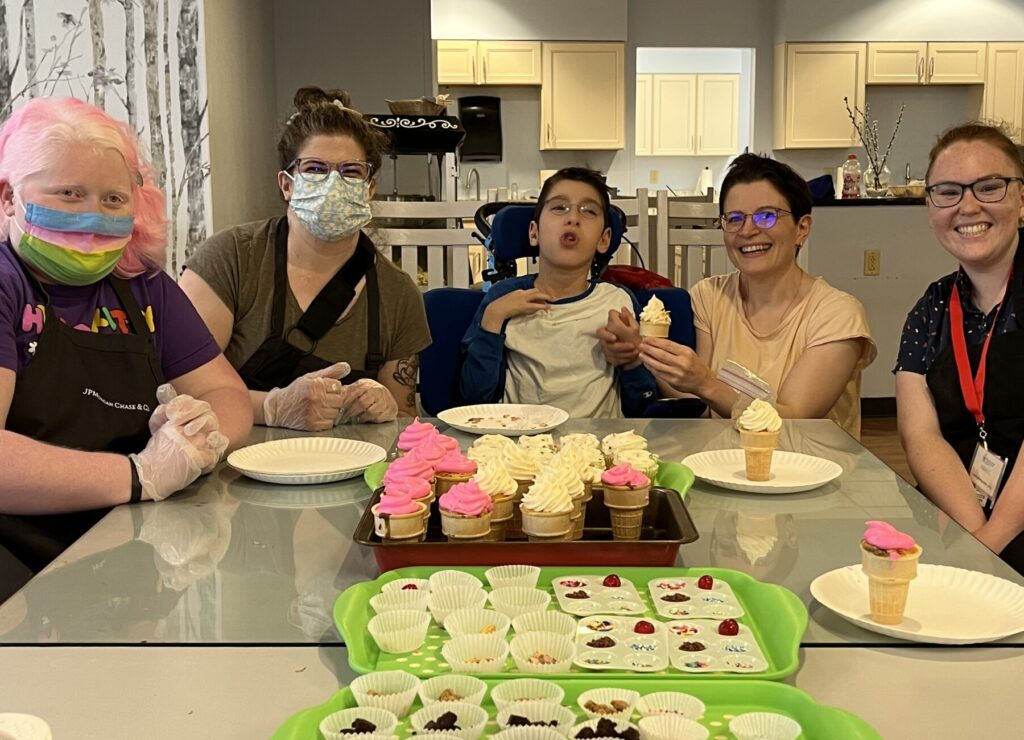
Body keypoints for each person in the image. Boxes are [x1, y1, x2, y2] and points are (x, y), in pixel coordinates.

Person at [0, 97, 251, 597]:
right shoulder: (7, 285)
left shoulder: (143, 286)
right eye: (70, 194)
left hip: (132, 545)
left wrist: (196, 438)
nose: (93, 217)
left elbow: (226, 392)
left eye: (113, 200)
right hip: (18, 562)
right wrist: (142, 473)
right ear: (8, 197)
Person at [180, 87, 430, 431]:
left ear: (369, 189)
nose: (332, 183)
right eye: (315, 168)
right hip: (232, 470)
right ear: (287, 184)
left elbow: (405, 425)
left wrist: (386, 408)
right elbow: (179, 386)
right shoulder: (230, 260)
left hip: (346, 474)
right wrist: (272, 408)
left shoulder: (398, 295)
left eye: (350, 172)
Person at [611, 153, 875, 438]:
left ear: (802, 228)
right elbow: (698, 400)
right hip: (727, 466)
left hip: (810, 471)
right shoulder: (711, 295)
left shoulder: (837, 314)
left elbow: (793, 420)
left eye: (766, 216)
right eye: (734, 218)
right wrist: (638, 351)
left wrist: (706, 383)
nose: (748, 231)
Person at [895, 123, 1024, 571]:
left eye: (990, 187)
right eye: (948, 191)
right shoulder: (930, 308)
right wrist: (972, 535)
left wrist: (991, 542)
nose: (968, 205)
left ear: (1021, 199)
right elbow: (920, 433)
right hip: (957, 519)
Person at [459, 167, 656, 417]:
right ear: (534, 232)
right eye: (559, 208)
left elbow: (644, 407)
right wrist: (493, 318)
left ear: (604, 239)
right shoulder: (502, 299)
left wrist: (632, 360)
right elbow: (474, 399)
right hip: (519, 446)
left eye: (589, 211)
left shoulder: (618, 302)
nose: (573, 218)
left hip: (598, 447)